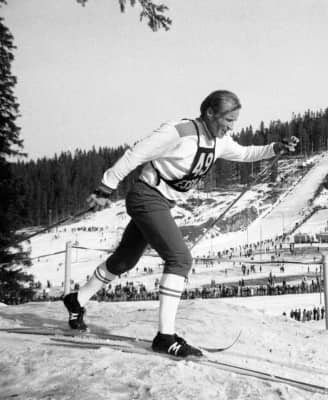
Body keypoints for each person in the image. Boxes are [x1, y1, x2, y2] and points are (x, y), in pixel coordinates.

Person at [62, 90, 299, 358]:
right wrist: (105, 187)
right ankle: (165, 337)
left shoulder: (218, 140)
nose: (231, 127)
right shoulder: (179, 132)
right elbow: (135, 154)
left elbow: (245, 153)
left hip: (162, 203)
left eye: (234, 121)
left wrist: (275, 148)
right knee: (180, 260)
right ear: (210, 113)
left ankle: (76, 300)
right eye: (228, 120)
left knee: (124, 260)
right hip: (146, 197)